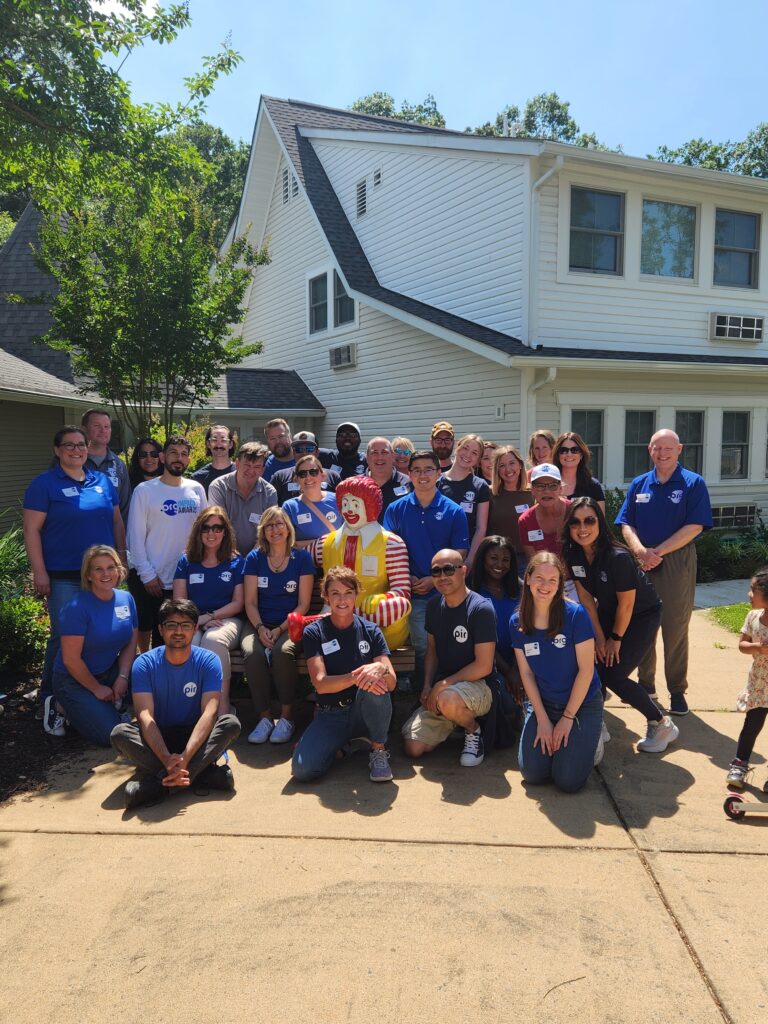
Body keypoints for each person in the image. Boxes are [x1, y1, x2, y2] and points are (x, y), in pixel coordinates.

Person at [24, 425, 125, 736]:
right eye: (69, 445)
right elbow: (31, 531)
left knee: (102, 632)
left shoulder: (103, 482)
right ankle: (52, 700)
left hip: (104, 575)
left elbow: (116, 521)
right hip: (65, 576)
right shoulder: (45, 484)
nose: (76, 450)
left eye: (81, 445)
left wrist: (122, 559)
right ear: (57, 451)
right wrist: (39, 571)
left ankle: (89, 693)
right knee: (63, 638)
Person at [562, 498, 679, 753]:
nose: (583, 527)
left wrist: (614, 638)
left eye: (589, 520)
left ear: (600, 523)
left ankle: (661, 724)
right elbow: (585, 600)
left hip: (641, 615)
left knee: (613, 673)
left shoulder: (618, 557)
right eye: (576, 522)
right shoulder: (573, 554)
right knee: (592, 662)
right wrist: (598, 638)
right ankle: (596, 722)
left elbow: (627, 605)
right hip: (607, 611)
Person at [616, 428, 713, 716]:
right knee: (644, 623)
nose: (662, 453)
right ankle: (646, 685)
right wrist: (639, 551)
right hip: (642, 560)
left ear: (679, 449)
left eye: (668, 448)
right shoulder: (639, 484)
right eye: (657, 448)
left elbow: (695, 526)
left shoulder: (693, 483)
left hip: (675, 561)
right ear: (650, 450)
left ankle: (677, 691)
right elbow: (625, 523)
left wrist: (658, 552)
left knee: (674, 627)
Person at [110, 598, 241, 810]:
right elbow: (144, 715)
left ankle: (158, 785)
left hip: (195, 735)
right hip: (158, 736)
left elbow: (209, 713)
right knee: (120, 734)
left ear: (195, 628)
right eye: (171, 625)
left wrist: (186, 757)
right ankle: (202, 775)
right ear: (161, 630)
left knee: (230, 723)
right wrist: (166, 757)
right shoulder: (144, 663)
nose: (178, 631)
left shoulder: (209, 660)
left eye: (186, 625)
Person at [291, 567, 397, 784]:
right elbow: (320, 684)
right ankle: (347, 746)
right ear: (326, 596)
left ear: (356, 595)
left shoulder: (371, 630)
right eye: (335, 593)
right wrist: (358, 676)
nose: (342, 599)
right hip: (331, 714)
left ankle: (377, 749)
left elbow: (392, 683)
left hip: (363, 709)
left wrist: (381, 669)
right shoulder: (314, 631)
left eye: (348, 592)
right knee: (303, 771)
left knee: (376, 682)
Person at [510, 552, 603, 793]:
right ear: (528, 578)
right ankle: (568, 745)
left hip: (581, 705)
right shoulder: (516, 622)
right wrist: (542, 719)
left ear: (560, 584)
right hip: (544, 704)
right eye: (539, 578)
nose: (545, 585)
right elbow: (526, 674)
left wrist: (567, 718)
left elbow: (586, 671)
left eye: (553, 580)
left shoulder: (576, 615)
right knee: (533, 774)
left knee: (567, 781)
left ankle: (591, 741)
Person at [292, 475, 412, 649]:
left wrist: (381, 600)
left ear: (370, 506)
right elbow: (297, 563)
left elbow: (402, 592)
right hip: (333, 625)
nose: (349, 510)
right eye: (345, 504)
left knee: (397, 606)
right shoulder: (326, 543)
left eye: (356, 504)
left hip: (377, 630)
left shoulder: (392, 544)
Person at [402, 549, 496, 767]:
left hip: (479, 684)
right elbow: (432, 650)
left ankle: (473, 731)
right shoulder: (434, 606)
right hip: (447, 687)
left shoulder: (481, 608)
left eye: (449, 569)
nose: (442, 576)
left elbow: (484, 666)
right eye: (436, 572)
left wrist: (442, 685)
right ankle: (455, 721)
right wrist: (427, 685)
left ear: (463, 570)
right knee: (413, 747)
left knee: (447, 699)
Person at [383, 451, 469, 684]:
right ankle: (422, 690)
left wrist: (435, 579)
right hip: (409, 591)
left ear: (438, 473)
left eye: (428, 469)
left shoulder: (454, 511)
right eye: (417, 470)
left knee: (447, 644)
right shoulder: (396, 509)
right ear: (409, 474)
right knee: (421, 645)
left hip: (445, 592)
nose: (423, 475)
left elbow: (461, 551)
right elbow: (387, 547)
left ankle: (443, 688)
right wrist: (405, 576)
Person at [242, 506, 314, 745]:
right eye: (269, 525)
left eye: (279, 524)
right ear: (263, 531)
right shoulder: (254, 558)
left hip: (290, 624)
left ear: (288, 528)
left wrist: (280, 629)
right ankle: (264, 718)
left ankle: (286, 716)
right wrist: (261, 628)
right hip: (257, 623)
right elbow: (250, 602)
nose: (275, 530)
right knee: (253, 654)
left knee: (283, 653)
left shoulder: (301, 558)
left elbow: (303, 604)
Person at [126, 435, 207, 647]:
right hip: (154, 579)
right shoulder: (144, 491)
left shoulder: (196, 489)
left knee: (177, 633)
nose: (178, 458)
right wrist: (147, 575)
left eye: (183, 454)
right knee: (149, 629)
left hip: (185, 577)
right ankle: (146, 671)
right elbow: (135, 537)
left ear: (189, 460)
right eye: (173, 453)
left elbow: (204, 531)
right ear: (163, 457)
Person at [53, 545, 137, 746]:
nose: (106, 573)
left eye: (111, 567)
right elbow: (70, 660)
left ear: (119, 570)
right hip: (73, 679)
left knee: (151, 673)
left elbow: (131, 642)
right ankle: (60, 705)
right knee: (112, 735)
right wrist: (97, 688)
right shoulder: (76, 607)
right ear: (88, 575)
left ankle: (114, 703)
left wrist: (123, 677)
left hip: (109, 670)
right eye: (98, 569)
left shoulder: (126, 599)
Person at [172, 506, 244, 717]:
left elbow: (238, 603)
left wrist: (209, 617)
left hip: (228, 619)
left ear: (225, 531)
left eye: (217, 528)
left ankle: (222, 705)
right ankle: (192, 705)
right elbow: (179, 602)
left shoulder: (236, 561)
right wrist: (198, 621)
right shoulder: (186, 560)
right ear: (198, 531)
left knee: (212, 640)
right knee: (189, 641)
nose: (211, 533)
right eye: (206, 528)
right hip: (192, 619)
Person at [725, 568, 768, 789]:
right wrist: (757, 648)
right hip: (760, 683)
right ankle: (739, 765)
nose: (749, 594)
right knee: (751, 725)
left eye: (753, 590)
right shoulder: (753, 616)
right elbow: (742, 645)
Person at [468, 535, 522, 703]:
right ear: (482, 558)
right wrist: (508, 672)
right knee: (506, 702)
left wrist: (517, 669)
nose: (499, 565)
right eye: (493, 558)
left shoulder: (521, 589)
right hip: (486, 663)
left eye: (506, 560)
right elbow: (479, 639)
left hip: (519, 660)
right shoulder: (471, 590)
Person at [127, 437, 164, 652]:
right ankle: (143, 656)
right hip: (137, 561)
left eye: (153, 454)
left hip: (165, 561)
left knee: (161, 614)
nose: (149, 459)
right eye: (143, 454)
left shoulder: (171, 484)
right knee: (142, 616)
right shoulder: (131, 486)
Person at [208, 441, 278, 555]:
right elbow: (218, 526)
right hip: (223, 554)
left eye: (257, 466)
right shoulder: (218, 487)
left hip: (258, 555)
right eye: (247, 465)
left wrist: (250, 560)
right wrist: (235, 559)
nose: (251, 470)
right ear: (237, 463)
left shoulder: (270, 492)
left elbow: (269, 530)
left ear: (263, 470)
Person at [437, 433, 489, 569]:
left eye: (474, 453)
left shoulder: (480, 486)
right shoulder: (437, 482)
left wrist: (470, 559)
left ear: (478, 460)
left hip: (464, 557)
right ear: (457, 448)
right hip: (438, 554)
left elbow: (480, 528)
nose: (468, 455)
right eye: (465, 448)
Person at [80, 409, 131, 524]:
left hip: (109, 538)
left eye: (107, 426)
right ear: (84, 430)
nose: (103, 430)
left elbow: (125, 509)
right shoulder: (71, 461)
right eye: (97, 426)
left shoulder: (119, 465)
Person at [488, 445, 531, 577]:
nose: (508, 469)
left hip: (526, 559)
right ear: (497, 470)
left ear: (520, 465)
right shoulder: (489, 494)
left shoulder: (533, 493)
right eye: (502, 465)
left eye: (512, 463)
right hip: (498, 559)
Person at [282, 453, 341, 544]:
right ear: (297, 479)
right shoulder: (289, 507)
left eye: (313, 472)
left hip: (336, 558)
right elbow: (286, 543)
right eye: (303, 474)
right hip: (305, 558)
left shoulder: (338, 500)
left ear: (323, 476)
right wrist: (319, 545)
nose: (308, 477)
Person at [270, 430, 340, 505]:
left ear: (317, 452)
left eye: (309, 449)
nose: (304, 453)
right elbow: (272, 509)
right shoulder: (280, 477)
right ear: (293, 453)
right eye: (299, 449)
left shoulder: (333, 477)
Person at [518, 464, 570, 562]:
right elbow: (533, 562)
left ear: (560, 488)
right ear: (532, 490)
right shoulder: (525, 520)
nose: (546, 491)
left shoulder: (575, 511)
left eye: (553, 486)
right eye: (540, 486)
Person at [552, 432, 605, 512]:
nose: (569, 454)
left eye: (574, 450)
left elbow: (600, 521)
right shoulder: (549, 484)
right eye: (563, 450)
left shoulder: (593, 486)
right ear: (558, 455)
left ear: (581, 455)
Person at [365, 436, 411, 521]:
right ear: (367, 457)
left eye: (384, 452)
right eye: (374, 453)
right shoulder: (356, 485)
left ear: (393, 456)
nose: (380, 457)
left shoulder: (408, 483)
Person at [190, 425, 236, 494]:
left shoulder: (241, 473)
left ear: (230, 444)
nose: (219, 445)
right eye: (214, 440)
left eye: (223, 440)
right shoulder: (198, 478)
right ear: (208, 444)